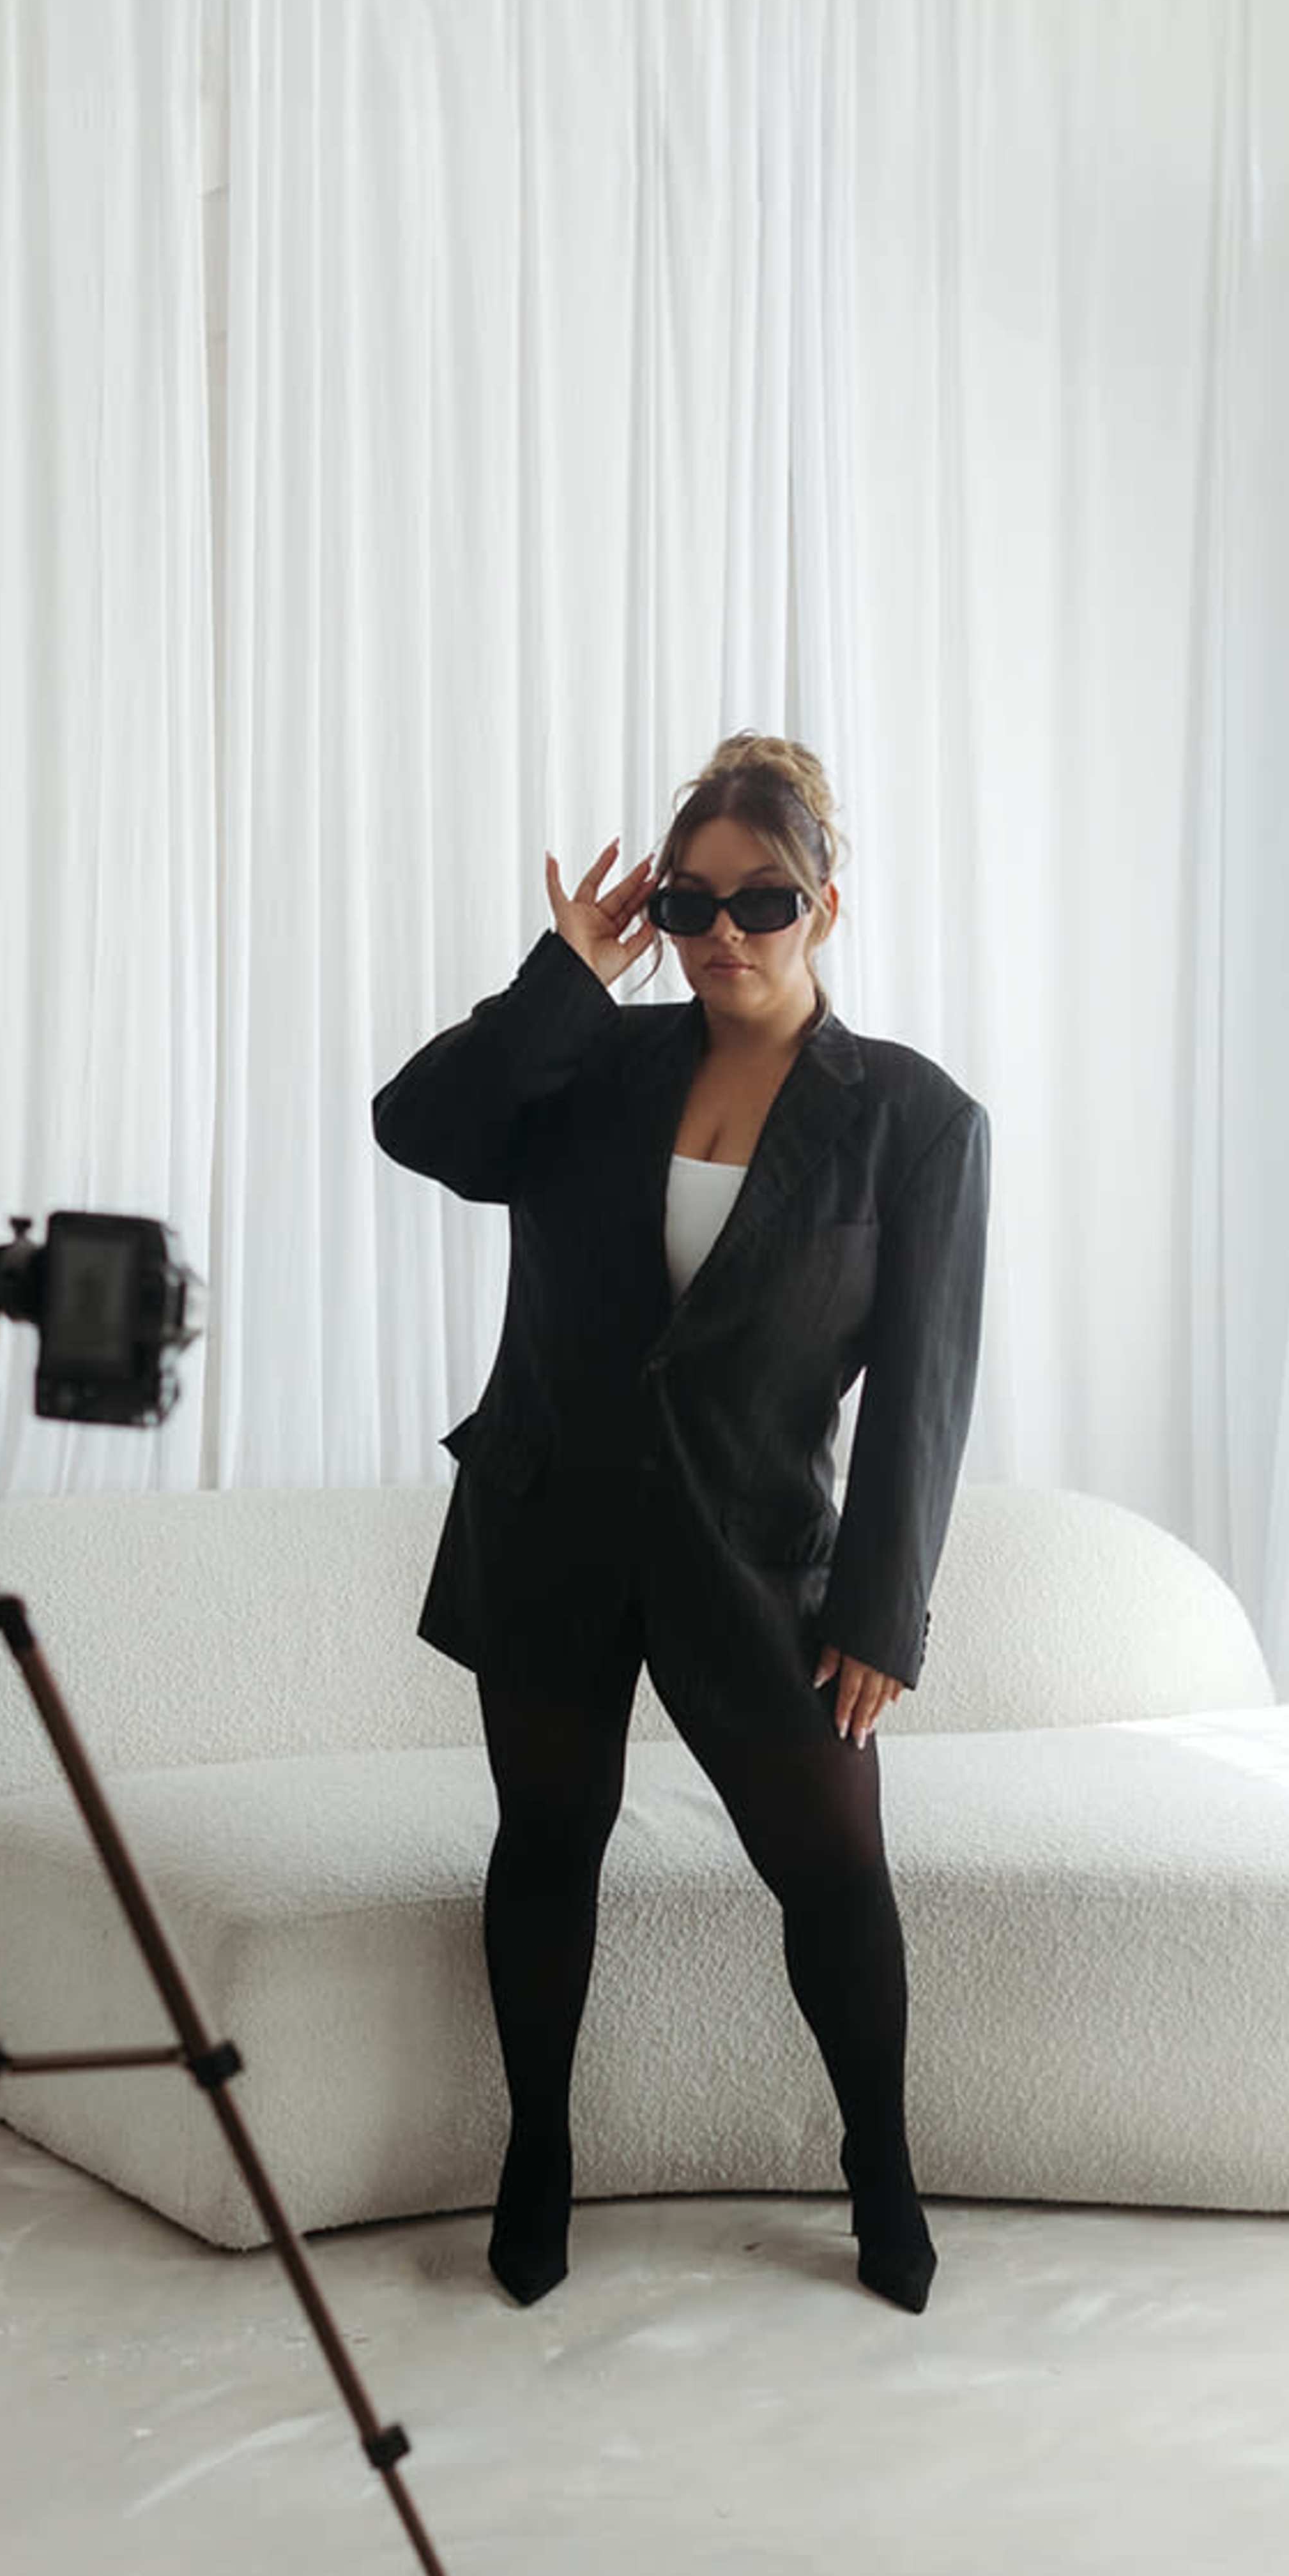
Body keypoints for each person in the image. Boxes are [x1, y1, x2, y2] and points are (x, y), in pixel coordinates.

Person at [370, 732, 990, 2315]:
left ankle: (881, 2170)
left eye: (763, 902)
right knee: (548, 1843)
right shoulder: (597, 1057)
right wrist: (563, 978)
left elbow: (924, 1388)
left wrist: (883, 1611)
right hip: (551, 1521)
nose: (725, 933)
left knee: (837, 1881)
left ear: (825, 907)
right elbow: (417, 1125)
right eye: (691, 900)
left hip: (757, 1558)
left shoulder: (911, 1118)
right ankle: (537, 2156)